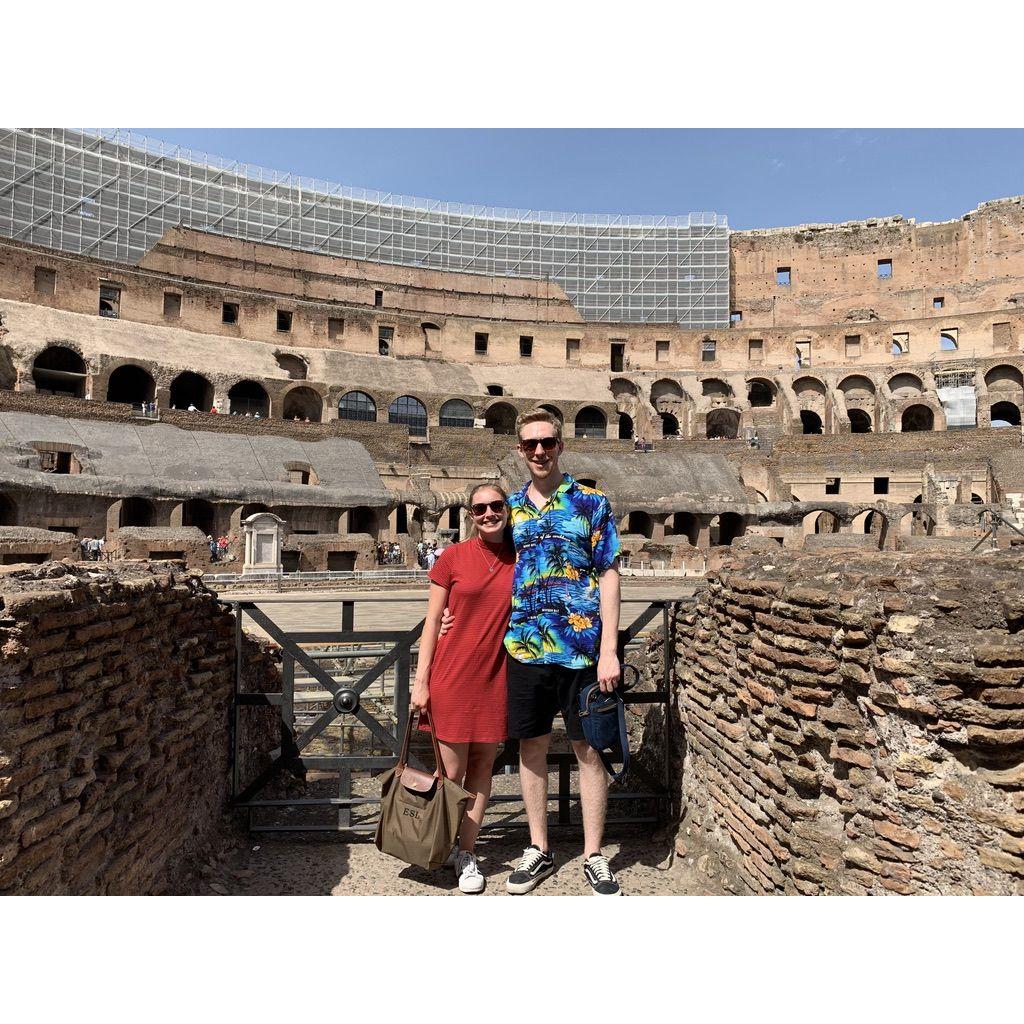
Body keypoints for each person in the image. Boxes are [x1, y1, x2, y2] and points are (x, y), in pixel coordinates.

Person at [441, 408, 623, 895]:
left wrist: (610, 649)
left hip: (583, 649)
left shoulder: (591, 502)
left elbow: (608, 572)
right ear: (521, 451)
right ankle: (539, 848)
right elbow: (483, 564)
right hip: (524, 648)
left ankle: (593, 854)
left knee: (588, 750)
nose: (539, 450)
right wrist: (447, 612)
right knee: (531, 748)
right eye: (530, 444)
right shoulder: (511, 508)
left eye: (547, 442)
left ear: (561, 445)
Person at [411, 483, 514, 894]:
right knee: (450, 773)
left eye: (495, 506)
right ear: (470, 515)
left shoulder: (521, 558)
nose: (488, 513)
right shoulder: (452, 557)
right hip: (452, 675)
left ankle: (466, 853)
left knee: (483, 768)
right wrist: (421, 682)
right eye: (479, 508)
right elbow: (433, 621)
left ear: (507, 509)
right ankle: (439, 844)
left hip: (497, 675)